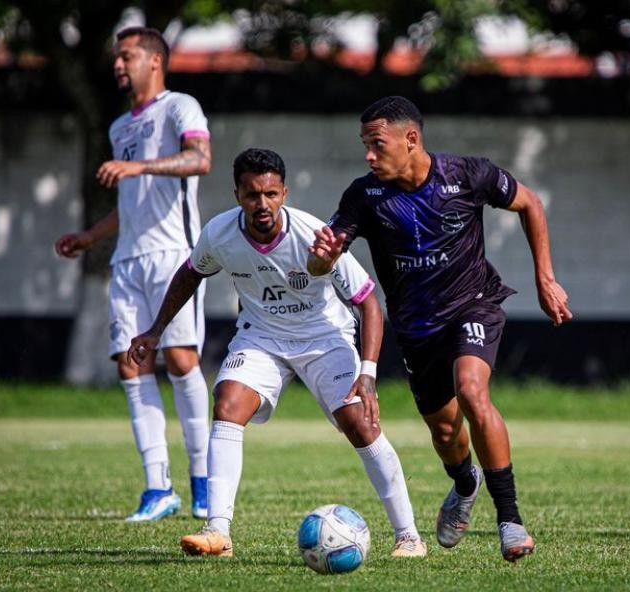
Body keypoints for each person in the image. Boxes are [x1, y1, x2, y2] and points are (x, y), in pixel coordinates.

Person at [308, 96, 573, 562]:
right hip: (415, 328)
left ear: (411, 139)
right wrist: (323, 257)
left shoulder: (466, 175)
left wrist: (545, 278)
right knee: (446, 431)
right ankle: (465, 483)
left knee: (472, 392)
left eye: (377, 144)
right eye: (364, 145)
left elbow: (530, 203)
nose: (369, 155)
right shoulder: (364, 195)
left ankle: (510, 520)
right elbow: (319, 262)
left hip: (473, 304)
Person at [128, 148, 427, 558]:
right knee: (228, 402)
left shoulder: (315, 235)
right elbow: (191, 272)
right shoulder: (219, 234)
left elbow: (368, 301)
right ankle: (218, 531)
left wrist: (369, 372)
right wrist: (156, 329)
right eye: (252, 195)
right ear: (238, 195)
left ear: (283, 192)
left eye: (270, 193)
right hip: (261, 337)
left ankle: (409, 536)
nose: (262, 204)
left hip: (324, 337)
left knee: (359, 422)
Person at [54, 26, 212, 522]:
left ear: (154, 62)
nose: (118, 65)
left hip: (174, 255)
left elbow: (200, 159)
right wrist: (90, 236)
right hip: (128, 259)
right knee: (130, 363)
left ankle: (204, 481)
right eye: (116, 57)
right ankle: (157, 488)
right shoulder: (121, 126)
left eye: (126, 56)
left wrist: (139, 169)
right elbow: (131, 204)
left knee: (182, 360)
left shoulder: (181, 106)